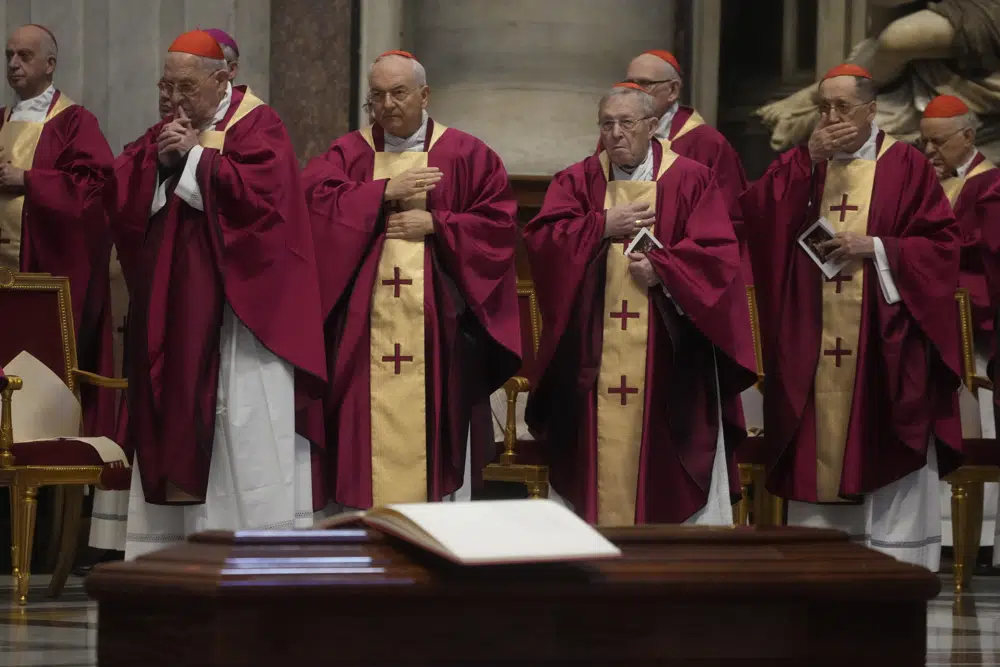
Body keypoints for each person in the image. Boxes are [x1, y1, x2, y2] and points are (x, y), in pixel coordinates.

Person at [107, 30, 327, 559]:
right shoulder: (172, 129)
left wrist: (198, 161)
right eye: (168, 85)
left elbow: (267, 209)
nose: (176, 99)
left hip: (241, 318)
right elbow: (124, 190)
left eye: (187, 85)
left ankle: (249, 547)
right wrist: (162, 165)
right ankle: (171, 554)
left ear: (223, 77)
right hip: (179, 313)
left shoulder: (259, 125)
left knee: (240, 423)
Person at [740, 64, 963, 570]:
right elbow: (755, 217)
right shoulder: (806, 162)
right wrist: (802, 162)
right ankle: (814, 565)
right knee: (813, 444)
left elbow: (943, 246)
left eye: (843, 106)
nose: (832, 117)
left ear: (871, 109)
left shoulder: (906, 165)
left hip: (885, 337)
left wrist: (878, 246)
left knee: (889, 435)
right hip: (811, 335)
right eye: (824, 107)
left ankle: (899, 567)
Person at [524, 83, 757, 526]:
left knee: (667, 460)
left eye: (626, 123)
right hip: (593, 355)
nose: (615, 133)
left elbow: (717, 256)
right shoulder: (577, 180)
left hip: (671, 359)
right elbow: (542, 243)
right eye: (607, 124)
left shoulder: (690, 179)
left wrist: (665, 272)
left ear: (652, 127)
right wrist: (600, 225)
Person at [301, 50, 521, 509]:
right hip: (362, 333)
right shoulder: (349, 152)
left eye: (399, 93)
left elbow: (498, 228)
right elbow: (314, 203)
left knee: (434, 427)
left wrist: (439, 224)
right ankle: (358, 538)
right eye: (377, 96)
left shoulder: (466, 154)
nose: (388, 104)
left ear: (424, 95)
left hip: (439, 330)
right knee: (360, 432)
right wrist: (382, 193)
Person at [0, 24, 115, 436]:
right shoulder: (1, 120)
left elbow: (94, 191)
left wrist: (29, 181)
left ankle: (50, 489)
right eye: (9, 55)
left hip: (44, 279)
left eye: (24, 56)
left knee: (40, 390)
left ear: (50, 65)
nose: (13, 64)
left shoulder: (73, 122)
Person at [619, 50, 751, 285]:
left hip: (683, 275)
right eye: (630, 83)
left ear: (673, 90)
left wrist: (669, 264)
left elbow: (728, 220)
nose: (635, 92)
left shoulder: (707, 143)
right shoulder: (615, 137)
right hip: (621, 264)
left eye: (645, 84)